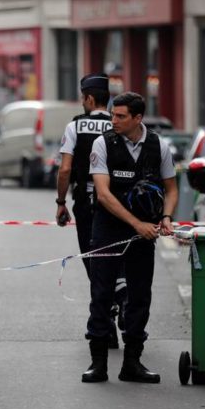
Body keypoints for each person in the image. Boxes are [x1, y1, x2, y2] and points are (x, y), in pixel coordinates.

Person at [83, 91, 177, 384]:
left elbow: (172, 188)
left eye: (121, 116)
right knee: (101, 294)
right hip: (109, 228)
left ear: (138, 118)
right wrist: (136, 223)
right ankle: (98, 364)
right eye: (113, 114)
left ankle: (132, 362)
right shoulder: (103, 144)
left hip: (144, 232)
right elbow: (103, 194)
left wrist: (165, 218)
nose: (114, 121)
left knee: (140, 295)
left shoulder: (158, 146)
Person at [56, 73, 126, 349]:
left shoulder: (75, 127)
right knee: (117, 255)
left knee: (95, 261)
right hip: (119, 201)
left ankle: (107, 322)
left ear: (87, 98)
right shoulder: (118, 123)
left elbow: (64, 169)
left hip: (87, 201)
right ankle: (121, 298)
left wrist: (61, 202)